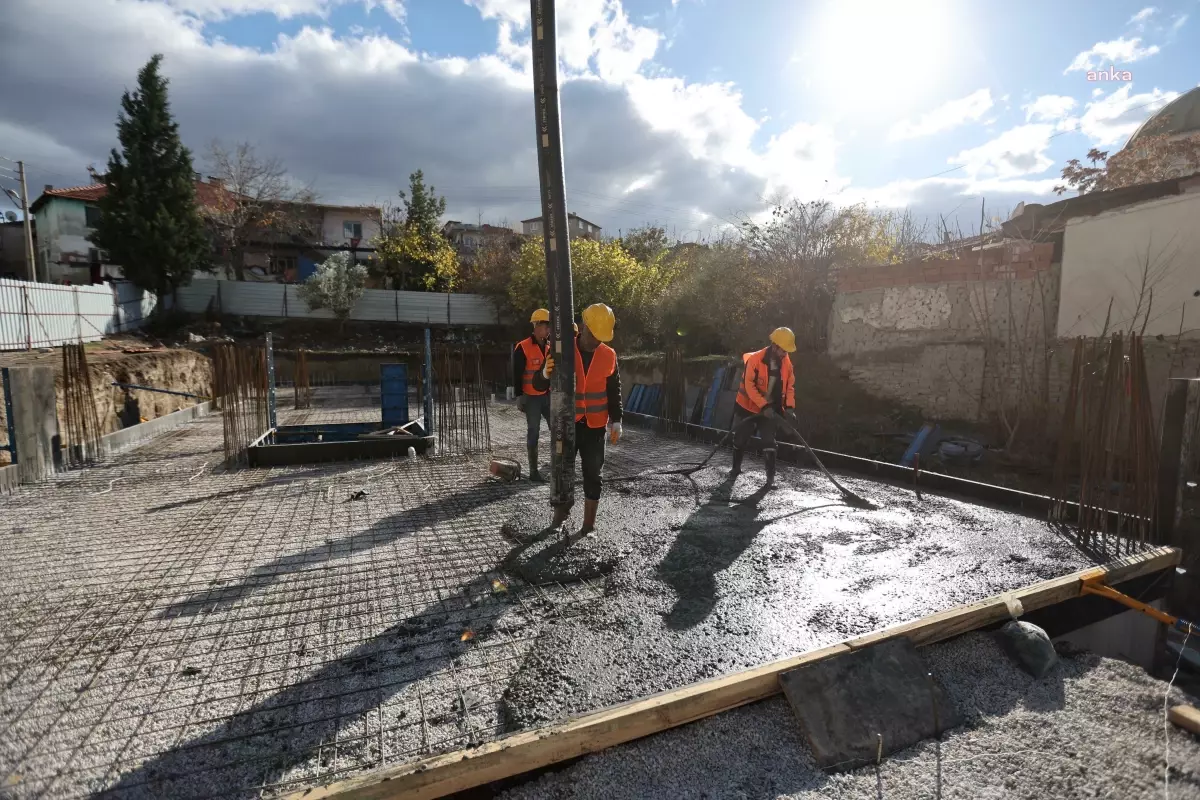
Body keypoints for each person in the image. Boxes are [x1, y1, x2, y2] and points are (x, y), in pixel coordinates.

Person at [537, 304, 622, 534]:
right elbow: (538, 384)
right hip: (568, 423)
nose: (597, 341)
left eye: (601, 337)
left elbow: (614, 390)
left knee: (594, 474)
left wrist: (617, 419)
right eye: (594, 335)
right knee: (562, 470)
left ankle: (588, 525)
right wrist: (545, 373)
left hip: (595, 426)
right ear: (583, 327)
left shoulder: (608, 354)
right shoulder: (562, 350)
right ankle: (559, 517)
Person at [730, 327, 797, 489]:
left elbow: (789, 387)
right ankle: (736, 469)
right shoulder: (755, 360)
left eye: (787, 351)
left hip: (770, 409)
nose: (785, 354)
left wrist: (789, 408)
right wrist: (763, 405)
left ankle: (770, 480)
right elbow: (750, 386)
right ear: (774, 346)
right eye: (783, 350)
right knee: (741, 438)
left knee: (769, 441)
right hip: (747, 407)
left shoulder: (786, 363)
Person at [513, 308, 552, 482]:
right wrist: (519, 396)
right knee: (533, 432)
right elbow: (516, 373)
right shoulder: (523, 347)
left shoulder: (550, 347)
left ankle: (556, 466)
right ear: (536, 326)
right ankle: (534, 471)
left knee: (557, 430)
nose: (548, 330)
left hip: (548, 396)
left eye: (549, 326)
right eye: (545, 326)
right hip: (531, 398)